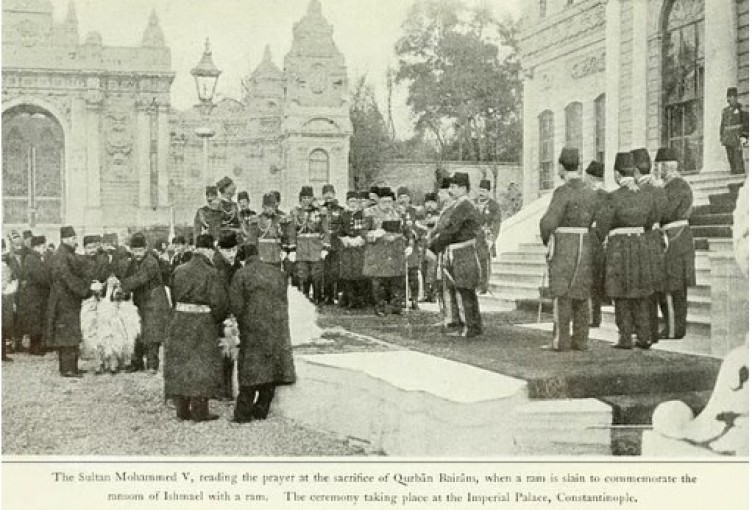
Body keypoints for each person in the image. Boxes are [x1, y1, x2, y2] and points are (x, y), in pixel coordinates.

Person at [597, 153, 659, 349]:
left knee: (620, 293)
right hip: (641, 245)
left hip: (619, 248)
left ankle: (625, 337)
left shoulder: (612, 197)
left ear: (617, 174)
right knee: (640, 292)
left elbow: (602, 227)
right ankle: (644, 336)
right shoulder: (645, 194)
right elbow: (651, 220)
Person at [539, 148, 598, 351]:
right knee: (581, 292)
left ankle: (561, 341)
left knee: (562, 292)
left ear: (561, 167)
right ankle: (581, 340)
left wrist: (547, 239)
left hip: (565, 245)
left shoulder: (562, 192)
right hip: (585, 243)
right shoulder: (590, 191)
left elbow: (549, 222)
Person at [164, 233, 228, 422]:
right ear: (208, 250)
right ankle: (200, 411)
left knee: (181, 363)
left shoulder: (179, 270)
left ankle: (182, 410)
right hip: (202, 322)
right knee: (201, 364)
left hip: (180, 320)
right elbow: (219, 304)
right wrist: (217, 320)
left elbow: (173, 297)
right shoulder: (212, 273)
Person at [229, 244, 296, 422]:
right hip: (276, 327)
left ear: (242, 259)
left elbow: (236, 305)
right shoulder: (277, 273)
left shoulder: (241, 274)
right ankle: (261, 410)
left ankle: (242, 414)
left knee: (250, 371)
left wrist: (239, 324)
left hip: (252, 328)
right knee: (271, 368)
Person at [429, 173, 484, 337]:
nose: (450, 190)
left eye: (453, 187)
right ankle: (470, 325)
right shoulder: (459, 205)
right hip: (459, 252)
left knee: (464, 288)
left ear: (463, 188)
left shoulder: (464, 206)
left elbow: (451, 229)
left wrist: (433, 247)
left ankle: (470, 327)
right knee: (463, 289)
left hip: (462, 252)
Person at [47, 226, 101, 377]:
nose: (75, 241)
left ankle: (72, 366)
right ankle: (67, 369)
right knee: (67, 334)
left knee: (71, 333)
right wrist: (87, 290)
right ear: (64, 239)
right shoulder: (61, 256)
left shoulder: (66, 254)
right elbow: (68, 278)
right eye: (72, 238)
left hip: (68, 299)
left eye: (75, 238)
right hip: (64, 301)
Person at [656, 147, 696, 340]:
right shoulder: (677, 185)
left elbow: (665, 212)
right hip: (678, 237)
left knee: (671, 286)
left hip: (673, 237)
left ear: (667, 166)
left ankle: (673, 329)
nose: (657, 170)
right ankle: (674, 327)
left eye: (659, 166)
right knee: (675, 286)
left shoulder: (676, 186)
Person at [120, 232, 171, 373]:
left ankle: (152, 364)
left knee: (152, 333)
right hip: (141, 301)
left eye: (140, 250)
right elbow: (126, 276)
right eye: (135, 250)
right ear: (131, 250)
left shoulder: (151, 262)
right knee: (138, 331)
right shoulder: (133, 262)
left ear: (146, 249)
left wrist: (122, 285)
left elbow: (139, 279)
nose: (138, 253)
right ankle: (136, 362)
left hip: (154, 301)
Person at [633, 147, 667, 345]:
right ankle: (652, 333)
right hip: (657, 241)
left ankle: (644, 334)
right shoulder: (659, 189)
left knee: (641, 289)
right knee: (652, 290)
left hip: (642, 240)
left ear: (636, 170)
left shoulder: (639, 191)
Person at [288, 186, 330, 303]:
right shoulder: (295, 213)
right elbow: (291, 232)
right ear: (300, 199)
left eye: (308, 197)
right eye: (304, 198)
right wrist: (292, 249)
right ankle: (304, 298)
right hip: (301, 248)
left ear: (312, 198)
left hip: (315, 247)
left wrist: (325, 247)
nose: (306, 200)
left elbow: (326, 230)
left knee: (317, 274)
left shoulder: (320, 212)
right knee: (303, 274)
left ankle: (317, 297)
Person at [213, 231, 242, 400]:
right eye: (228, 251)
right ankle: (221, 390)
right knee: (221, 352)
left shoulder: (237, 265)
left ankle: (228, 389)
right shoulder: (216, 267)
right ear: (220, 250)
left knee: (231, 352)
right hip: (220, 315)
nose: (232, 254)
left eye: (234, 250)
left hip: (232, 314)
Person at [584, 161, 608, 328]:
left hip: (593, 241)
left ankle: (592, 316)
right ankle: (593, 315)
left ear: (591, 178)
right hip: (596, 241)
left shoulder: (594, 195)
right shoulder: (606, 195)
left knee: (591, 281)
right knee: (594, 282)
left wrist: (597, 235)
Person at [17, 235, 51, 356]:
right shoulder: (32, 259)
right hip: (34, 296)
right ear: (36, 247)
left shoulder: (35, 258)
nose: (45, 249)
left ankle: (38, 345)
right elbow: (41, 277)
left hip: (38, 295)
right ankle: (35, 347)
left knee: (39, 319)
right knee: (35, 321)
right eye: (43, 247)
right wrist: (50, 282)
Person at [338, 191, 368, 308]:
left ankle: (360, 300)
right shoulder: (343, 215)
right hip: (347, 248)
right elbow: (339, 230)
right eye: (351, 201)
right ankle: (351, 299)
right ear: (347, 202)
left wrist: (360, 238)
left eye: (355, 201)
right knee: (347, 274)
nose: (353, 203)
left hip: (360, 248)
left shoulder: (363, 214)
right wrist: (346, 239)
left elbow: (366, 228)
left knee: (360, 274)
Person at [396, 186, 421, 309]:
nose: (403, 200)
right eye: (400, 197)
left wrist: (414, 233)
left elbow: (421, 227)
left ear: (409, 198)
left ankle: (415, 300)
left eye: (405, 197)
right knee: (399, 275)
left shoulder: (415, 212)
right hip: (398, 246)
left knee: (413, 273)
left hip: (413, 246)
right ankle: (401, 299)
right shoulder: (394, 211)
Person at [475, 179, 501, 294]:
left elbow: (496, 223)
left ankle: (483, 286)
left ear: (488, 192)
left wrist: (492, 239)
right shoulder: (473, 203)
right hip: (473, 237)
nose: (481, 193)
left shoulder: (494, 206)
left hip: (486, 238)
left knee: (484, 261)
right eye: (480, 190)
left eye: (484, 191)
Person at [321, 184, 344, 305]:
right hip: (323, 245)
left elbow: (342, 225)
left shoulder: (340, 210)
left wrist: (334, 233)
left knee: (336, 271)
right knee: (325, 271)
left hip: (336, 244)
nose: (328, 196)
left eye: (330, 193)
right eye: (326, 193)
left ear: (334, 194)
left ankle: (336, 295)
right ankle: (327, 296)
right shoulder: (320, 210)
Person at [417, 192, 440, 303]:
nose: (430, 205)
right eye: (428, 202)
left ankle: (432, 292)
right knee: (422, 268)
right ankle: (423, 292)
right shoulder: (420, 216)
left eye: (433, 202)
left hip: (435, 247)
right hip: (421, 246)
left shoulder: (440, 215)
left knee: (434, 266)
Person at [720, 87, 749, 175]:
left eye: (732, 97)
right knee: (730, 157)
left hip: (737, 137)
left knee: (738, 157)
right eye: (728, 97)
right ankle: (733, 171)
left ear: (736, 97)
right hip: (728, 137)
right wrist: (722, 137)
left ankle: (739, 173)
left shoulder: (741, 108)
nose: (729, 99)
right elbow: (722, 125)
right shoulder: (725, 110)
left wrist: (744, 138)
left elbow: (746, 123)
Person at [2, 240, 19, 362]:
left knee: (4, 326)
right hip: (5, 297)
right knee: (4, 325)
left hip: (6, 297)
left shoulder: (6, 264)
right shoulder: (4, 266)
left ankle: (3, 351)